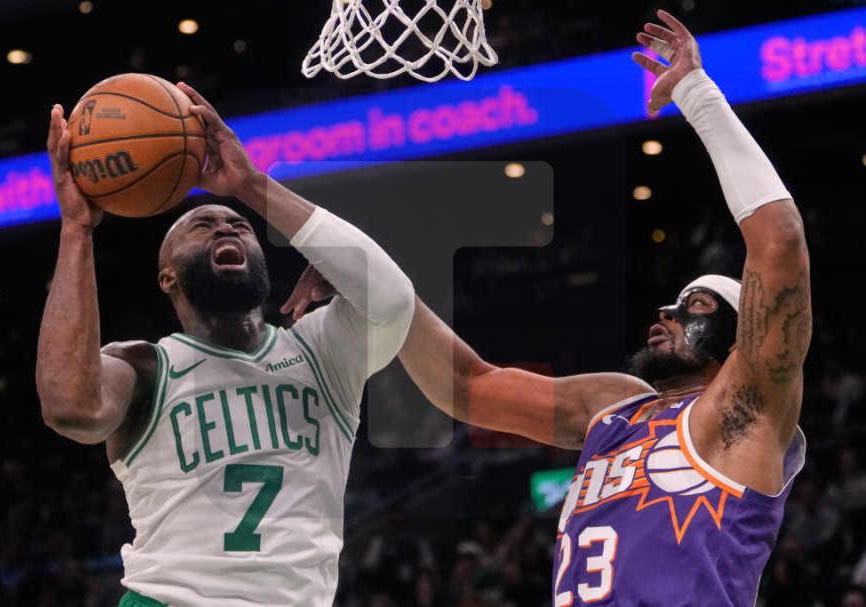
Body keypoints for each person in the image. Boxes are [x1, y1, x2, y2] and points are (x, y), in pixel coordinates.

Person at [282, 11, 811, 605]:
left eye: (695, 304)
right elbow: (468, 386)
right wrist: (370, 279)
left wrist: (697, 95)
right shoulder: (613, 406)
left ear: (742, 338)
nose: (666, 311)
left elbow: (780, 240)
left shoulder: (749, 404)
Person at [36, 82, 415, 606]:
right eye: (202, 225)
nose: (225, 228)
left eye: (239, 224)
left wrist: (250, 185)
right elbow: (71, 407)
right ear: (167, 277)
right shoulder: (147, 366)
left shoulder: (321, 352)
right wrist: (76, 229)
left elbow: (393, 299)